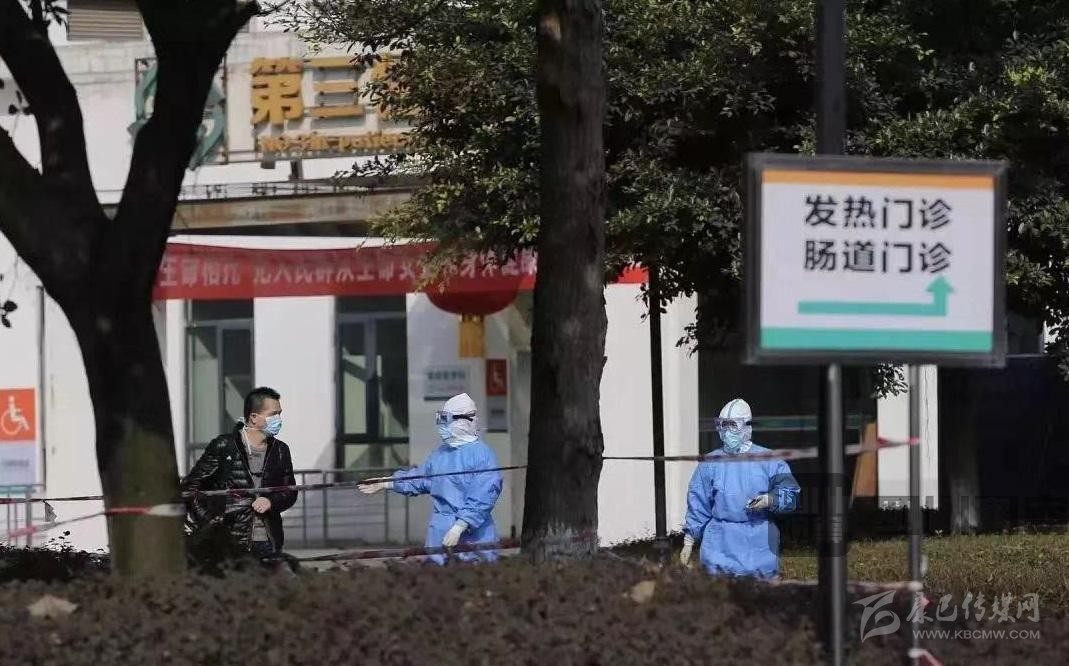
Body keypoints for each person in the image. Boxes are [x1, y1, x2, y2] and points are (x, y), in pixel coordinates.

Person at [360, 392, 503, 564]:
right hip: (439, 536)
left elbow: (483, 496)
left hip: (474, 538)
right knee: (435, 577)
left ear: (464, 421)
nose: (442, 427)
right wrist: (386, 482)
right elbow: (421, 479)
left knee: (475, 576)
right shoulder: (441, 454)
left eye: (447, 420)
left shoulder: (482, 455)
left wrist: (460, 526)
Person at [680, 398, 800, 578]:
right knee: (718, 593)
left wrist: (770, 500)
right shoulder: (710, 463)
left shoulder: (770, 461)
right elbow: (699, 502)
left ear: (747, 426)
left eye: (733, 426)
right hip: (718, 547)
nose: (727, 431)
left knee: (758, 594)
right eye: (723, 425)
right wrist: (689, 541)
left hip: (759, 547)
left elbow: (790, 494)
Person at [182, 386, 297, 560]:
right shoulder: (224, 446)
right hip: (228, 542)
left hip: (268, 541)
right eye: (273, 414)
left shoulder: (280, 450)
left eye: (279, 414)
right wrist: (210, 521)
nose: (278, 420)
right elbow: (190, 488)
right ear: (254, 417)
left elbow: (289, 491)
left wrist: (271, 501)